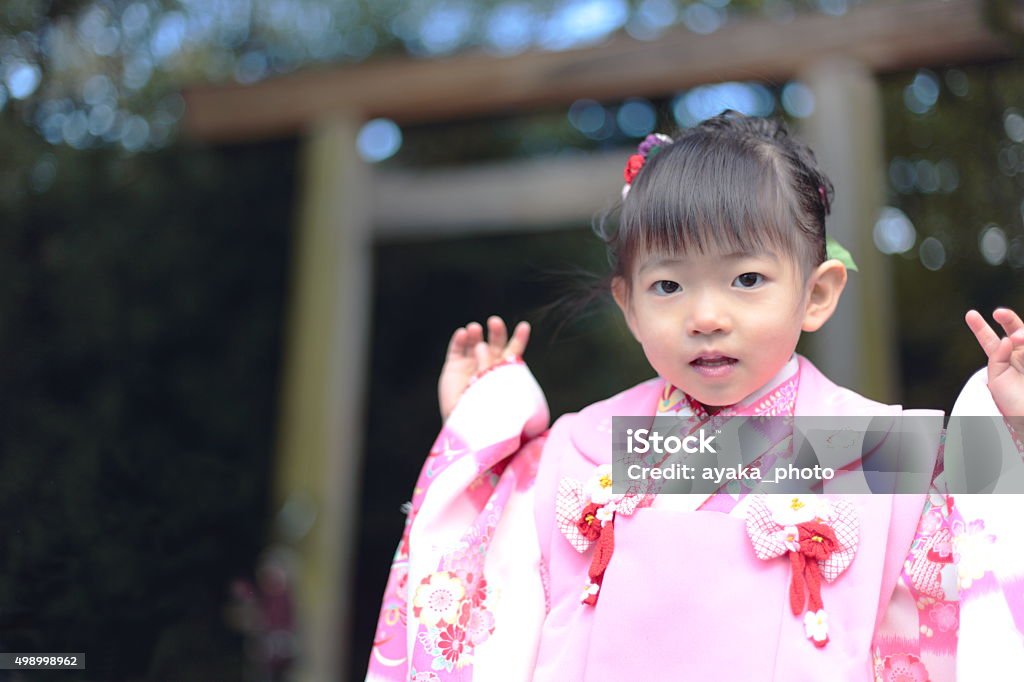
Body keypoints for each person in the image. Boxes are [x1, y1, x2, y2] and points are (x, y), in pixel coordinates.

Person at [365, 113, 1024, 681]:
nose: (706, 315)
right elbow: (494, 584)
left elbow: (976, 551)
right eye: (669, 286)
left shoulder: (877, 446)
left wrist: (1013, 427)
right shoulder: (582, 447)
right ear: (628, 304)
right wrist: (477, 428)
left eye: (746, 278)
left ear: (816, 293)